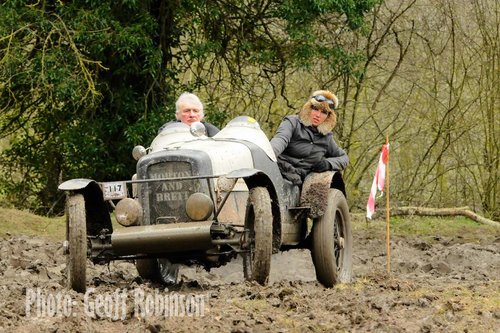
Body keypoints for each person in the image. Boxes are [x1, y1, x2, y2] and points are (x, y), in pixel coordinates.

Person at [270, 90, 349, 185]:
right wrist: (269, 154)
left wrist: (328, 163)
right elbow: (281, 139)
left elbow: (344, 158)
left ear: (328, 117)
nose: (318, 115)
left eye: (324, 112)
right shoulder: (292, 122)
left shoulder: (327, 138)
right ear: (309, 108)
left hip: (303, 180)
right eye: (316, 109)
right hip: (280, 169)